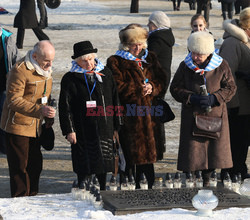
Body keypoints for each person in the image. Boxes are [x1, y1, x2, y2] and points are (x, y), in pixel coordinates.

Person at [170, 31, 236, 186]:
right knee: (193, 153)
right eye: (193, 53)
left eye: (199, 54)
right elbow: (175, 88)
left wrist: (214, 98)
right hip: (192, 117)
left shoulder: (221, 65)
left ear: (208, 53)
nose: (195, 57)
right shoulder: (185, 66)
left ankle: (209, 179)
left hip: (215, 116)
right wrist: (191, 97)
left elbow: (231, 88)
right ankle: (192, 180)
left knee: (213, 153)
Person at [106, 24, 168, 189]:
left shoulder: (150, 58)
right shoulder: (115, 61)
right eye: (134, 44)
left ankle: (149, 184)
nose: (137, 48)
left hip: (151, 115)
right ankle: (129, 186)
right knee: (129, 156)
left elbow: (162, 80)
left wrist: (153, 87)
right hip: (130, 116)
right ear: (126, 44)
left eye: (140, 44)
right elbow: (116, 87)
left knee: (148, 157)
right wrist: (137, 89)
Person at [58, 41, 121, 190]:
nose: (89, 63)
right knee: (84, 165)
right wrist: (69, 130)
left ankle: (103, 190)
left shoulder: (105, 73)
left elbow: (115, 99)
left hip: (105, 127)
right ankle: (83, 189)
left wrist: (117, 124)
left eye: (91, 59)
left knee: (104, 164)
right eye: (84, 61)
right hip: (82, 130)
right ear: (77, 62)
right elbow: (65, 107)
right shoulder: (70, 78)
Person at [0, 40, 56, 197]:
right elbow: (13, 100)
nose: (50, 64)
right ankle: (20, 201)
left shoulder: (46, 68)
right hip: (18, 126)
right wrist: (39, 110)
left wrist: (49, 115)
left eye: (52, 60)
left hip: (36, 127)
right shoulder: (20, 70)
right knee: (20, 167)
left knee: (35, 165)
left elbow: (45, 95)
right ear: (35, 56)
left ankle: (32, 197)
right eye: (46, 61)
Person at [220, 7, 250, 180]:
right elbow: (227, 76)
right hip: (237, 104)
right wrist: (232, 104)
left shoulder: (243, 41)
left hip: (245, 103)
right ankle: (232, 171)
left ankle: (239, 168)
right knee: (236, 140)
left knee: (242, 140)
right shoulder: (233, 43)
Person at [0, 27, 19, 154]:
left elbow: (15, 58)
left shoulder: (7, 37)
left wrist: (14, 74)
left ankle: (4, 146)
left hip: (4, 84)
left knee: (4, 115)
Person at [147, 11, 175, 90]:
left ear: (157, 24)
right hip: (163, 76)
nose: (148, 25)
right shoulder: (164, 36)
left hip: (157, 78)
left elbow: (148, 58)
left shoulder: (157, 39)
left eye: (150, 22)